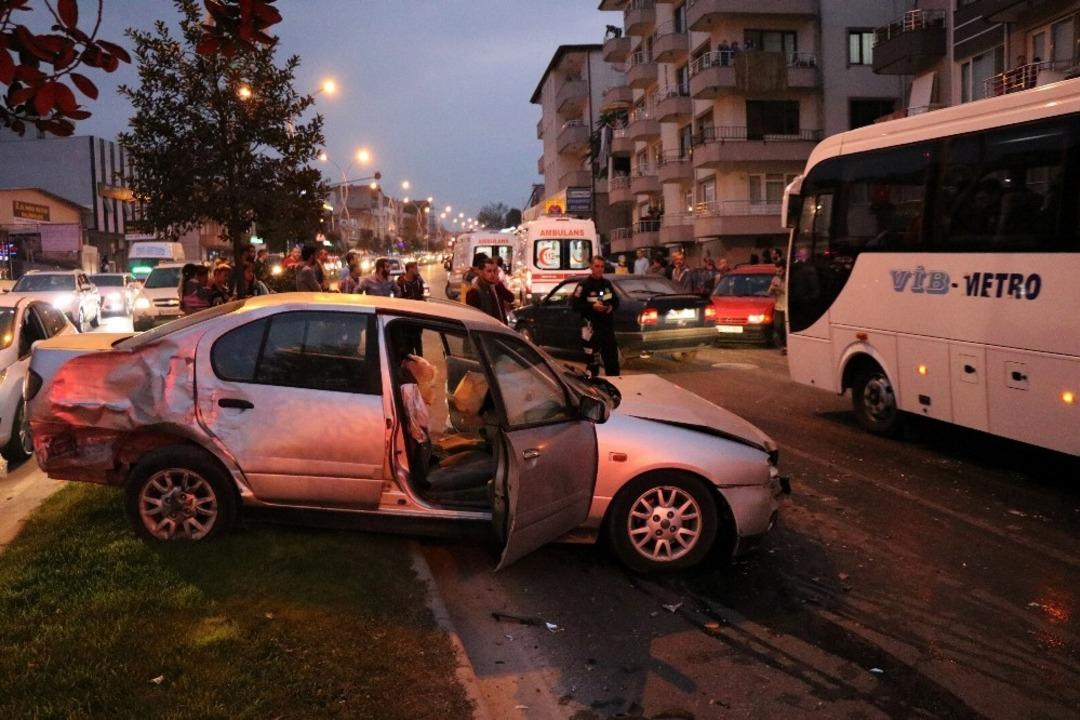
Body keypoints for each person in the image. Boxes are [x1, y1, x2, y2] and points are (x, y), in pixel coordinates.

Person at [572, 256, 620, 378]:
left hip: (607, 328)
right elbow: (574, 305)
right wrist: (592, 307)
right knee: (593, 364)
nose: (600, 269)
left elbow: (615, 301)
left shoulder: (607, 284)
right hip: (591, 329)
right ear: (591, 267)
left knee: (612, 362)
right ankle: (592, 387)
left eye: (602, 266)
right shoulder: (584, 285)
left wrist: (610, 307)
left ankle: (614, 386)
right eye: (597, 266)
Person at [465, 257, 514, 323]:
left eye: (494, 271)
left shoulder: (495, 286)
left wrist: (498, 284)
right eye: (489, 271)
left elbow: (510, 298)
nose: (492, 274)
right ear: (480, 272)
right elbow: (474, 318)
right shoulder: (474, 291)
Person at [769, 263, 787, 354]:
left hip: (786, 308)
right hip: (778, 307)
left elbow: (787, 292)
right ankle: (781, 347)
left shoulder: (788, 278)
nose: (778, 273)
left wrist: (779, 288)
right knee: (777, 328)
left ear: (784, 270)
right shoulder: (775, 279)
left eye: (779, 271)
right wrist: (772, 289)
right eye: (776, 271)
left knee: (785, 328)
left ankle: (786, 346)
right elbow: (769, 293)